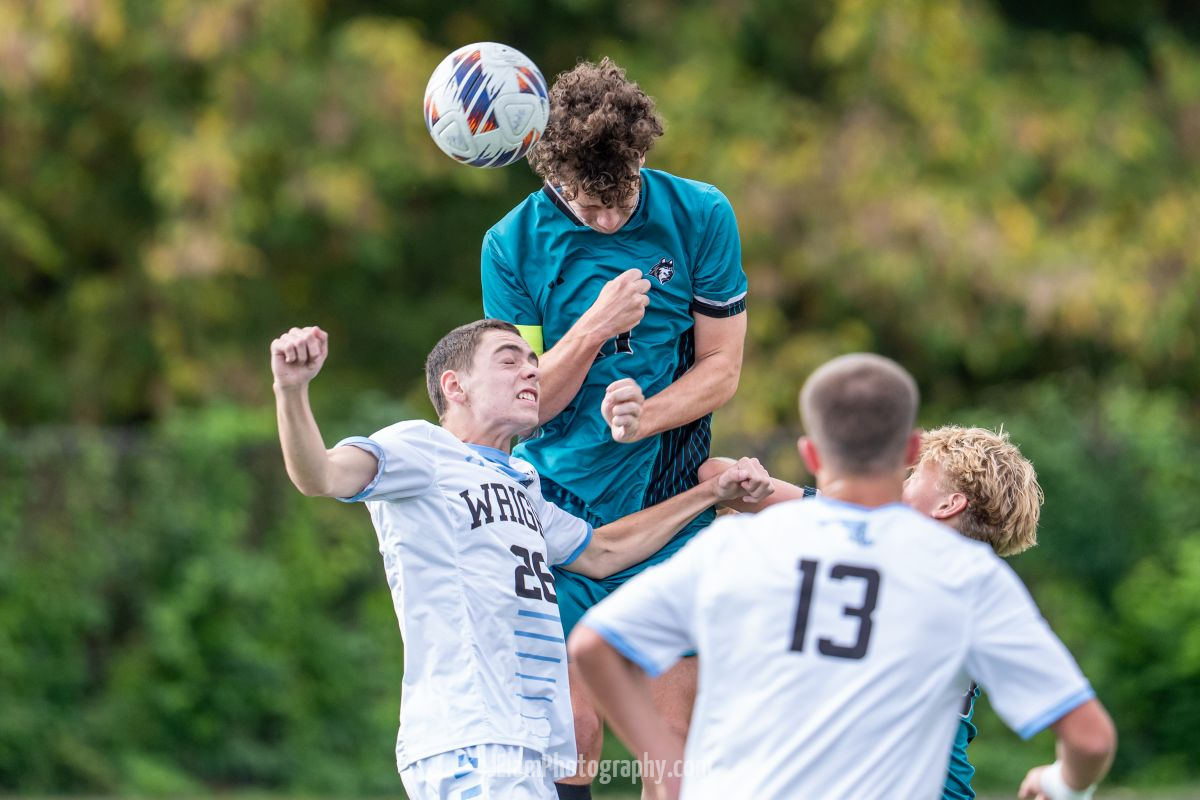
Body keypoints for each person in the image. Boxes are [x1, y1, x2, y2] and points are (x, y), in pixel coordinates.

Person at [568, 354, 1117, 800]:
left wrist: (666, 764)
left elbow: (593, 645)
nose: (904, 482)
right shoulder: (968, 577)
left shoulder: (749, 544)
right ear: (902, 447)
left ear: (811, 451)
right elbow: (1090, 736)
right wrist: (1060, 785)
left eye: (916, 475)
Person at [269, 321, 773, 800]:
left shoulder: (521, 483)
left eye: (532, 361)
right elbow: (321, 476)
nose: (531, 370)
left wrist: (710, 494)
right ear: (455, 386)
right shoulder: (421, 448)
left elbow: (603, 552)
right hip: (471, 736)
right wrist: (292, 390)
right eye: (509, 361)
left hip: (531, 747)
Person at [481, 57, 749, 797]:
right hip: (560, 513)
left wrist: (645, 417)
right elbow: (522, 403)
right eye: (585, 203)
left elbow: (723, 368)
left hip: (667, 512)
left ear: (640, 161)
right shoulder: (510, 245)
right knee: (572, 731)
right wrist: (595, 327)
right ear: (552, 176)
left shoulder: (700, 215)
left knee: (670, 743)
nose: (605, 217)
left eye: (620, 199)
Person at [903, 425, 1044, 800]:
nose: (902, 481)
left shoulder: (919, 565)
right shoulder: (973, 584)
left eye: (915, 475)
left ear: (947, 505)